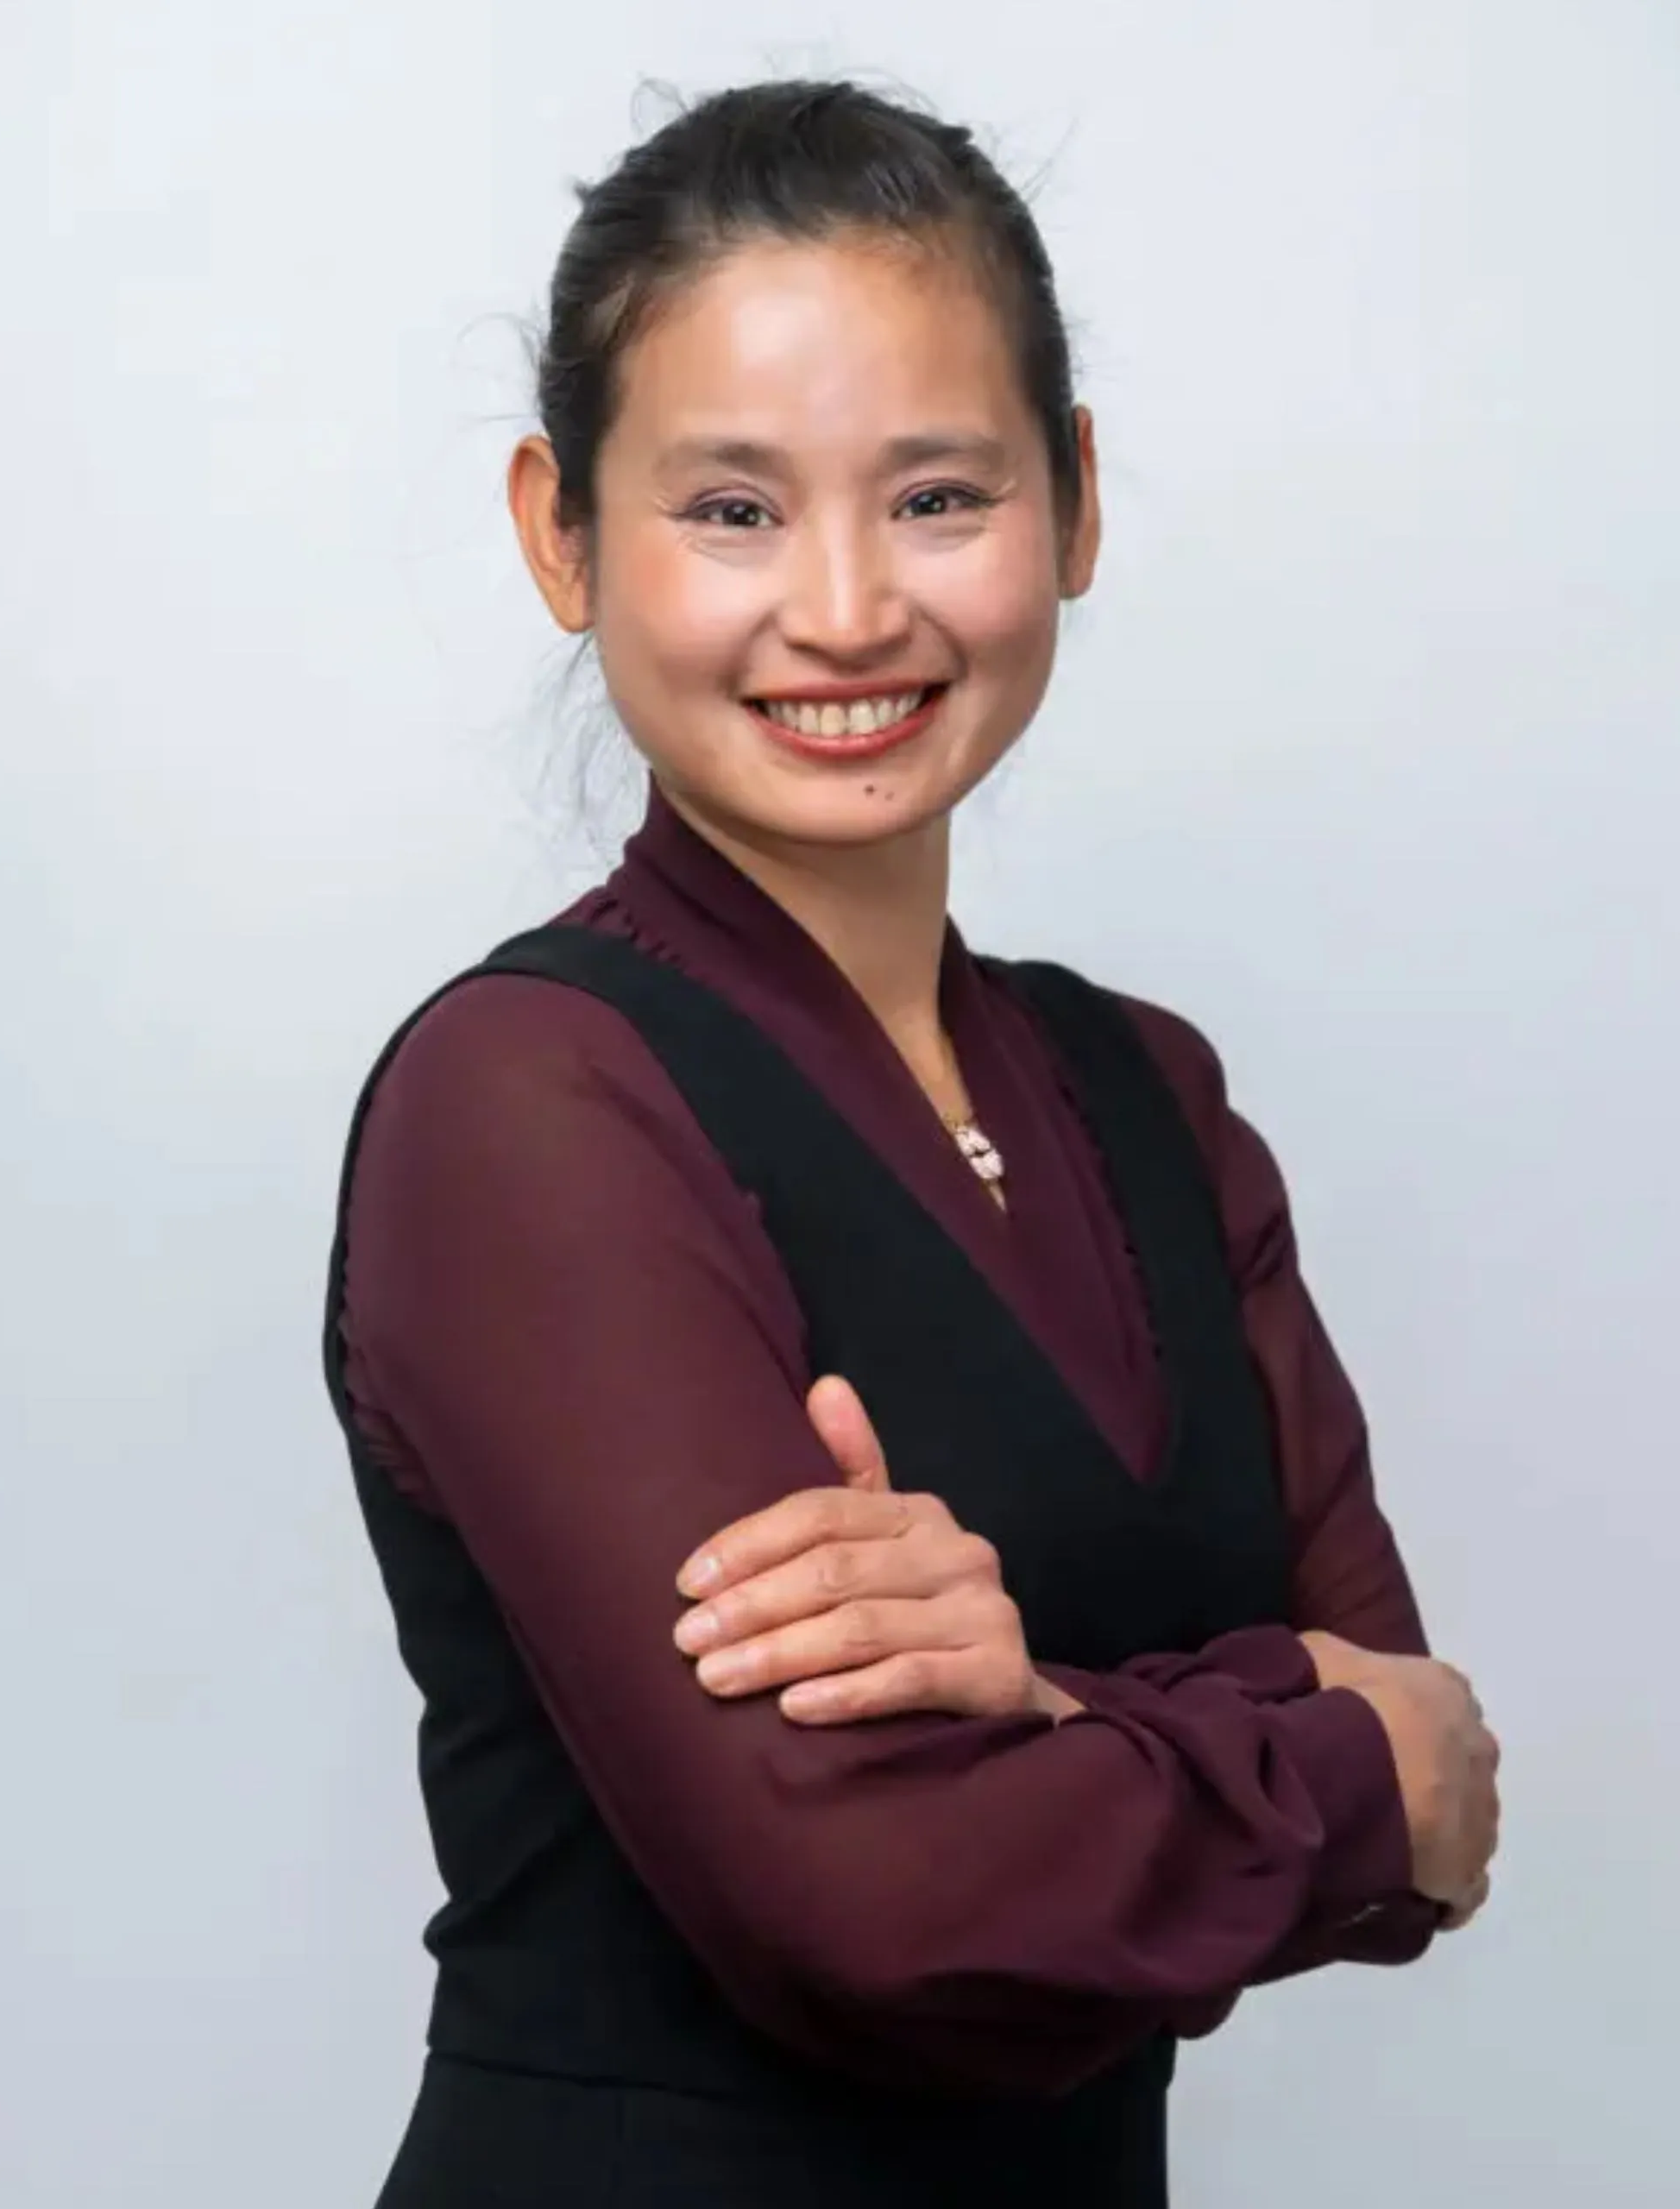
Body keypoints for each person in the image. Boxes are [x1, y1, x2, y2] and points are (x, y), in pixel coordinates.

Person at [323, 78, 1501, 2209]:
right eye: (733, 510)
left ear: (1072, 497)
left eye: (939, 494)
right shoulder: (524, 1102)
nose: (851, 610)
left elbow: (1436, 1795)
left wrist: (1033, 1703)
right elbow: (869, 1906)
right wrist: (1290, 1744)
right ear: (559, 531)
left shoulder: (1150, 1095)